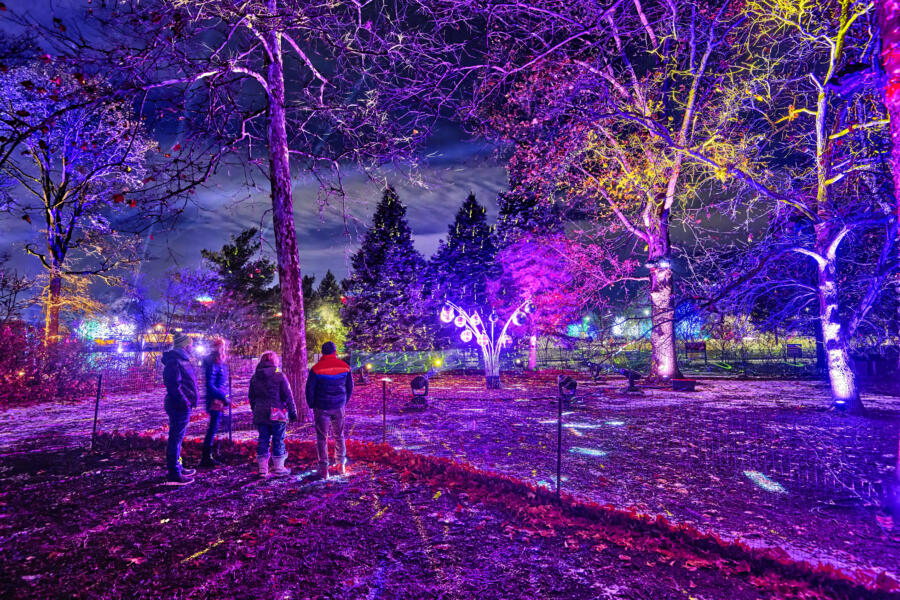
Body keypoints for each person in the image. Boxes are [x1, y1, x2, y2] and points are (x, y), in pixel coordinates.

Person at [306, 341, 353, 479]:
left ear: (322, 352)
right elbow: (350, 387)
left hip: (321, 406)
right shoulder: (345, 367)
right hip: (338, 406)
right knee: (339, 435)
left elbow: (310, 389)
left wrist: (312, 404)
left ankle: (324, 468)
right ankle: (340, 465)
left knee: (322, 437)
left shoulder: (316, 369)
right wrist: (344, 401)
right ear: (335, 351)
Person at [248, 351, 297, 477]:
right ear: (274, 361)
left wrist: (255, 409)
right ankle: (279, 467)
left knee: (263, 439)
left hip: (260, 411)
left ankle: (262, 469)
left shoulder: (255, 377)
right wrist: (292, 412)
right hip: (277, 410)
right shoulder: (279, 375)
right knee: (278, 438)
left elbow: (251, 397)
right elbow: (287, 395)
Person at [161, 334, 199, 485]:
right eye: (191, 344)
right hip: (179, 406)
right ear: (185, 345)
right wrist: (185, 402)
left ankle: (178, 466)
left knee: (178, 438)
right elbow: (173, 386)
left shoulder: (182, 359)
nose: (193, 346)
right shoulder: (175, 361)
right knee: (175, 439)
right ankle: (174, 473)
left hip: (182, 405)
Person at [200, 337, 230, 468]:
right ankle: (206, 457)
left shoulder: (217, 361)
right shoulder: (213, 362)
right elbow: (210, 384)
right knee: (213, 427)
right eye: (222, 346)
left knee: (215, 426)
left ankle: (210, 454)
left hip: (218, 398)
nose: (224, 348)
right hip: (215, 400)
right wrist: (222, 397)